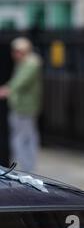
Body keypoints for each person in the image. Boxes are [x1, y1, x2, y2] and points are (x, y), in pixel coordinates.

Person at [0, 37, 42, 172]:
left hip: (25, 108)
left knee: (23, 139)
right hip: (20, 106)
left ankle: (25, 168)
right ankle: (24, 167)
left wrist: (7, 89)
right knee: (24, 137)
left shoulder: (31, 64)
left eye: (17, 51)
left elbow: (20, 82)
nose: (14, 54)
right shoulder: (23, 63)